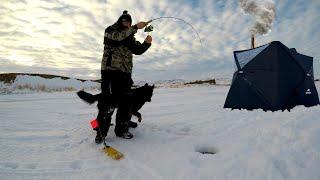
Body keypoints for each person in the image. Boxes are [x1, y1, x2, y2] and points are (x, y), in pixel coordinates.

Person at [94, 10, 152, 143]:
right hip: (110, 73)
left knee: (126, 104)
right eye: (124, 21)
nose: (127, 23)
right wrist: (136, 27)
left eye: (129, 22)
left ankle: (121, 130)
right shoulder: (111, 31)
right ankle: (100, 132)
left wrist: (147, 43)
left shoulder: (129, 37)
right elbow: (117, 37)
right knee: (107, 104)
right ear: (120, 21)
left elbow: (138, 50)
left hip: (125, 75)